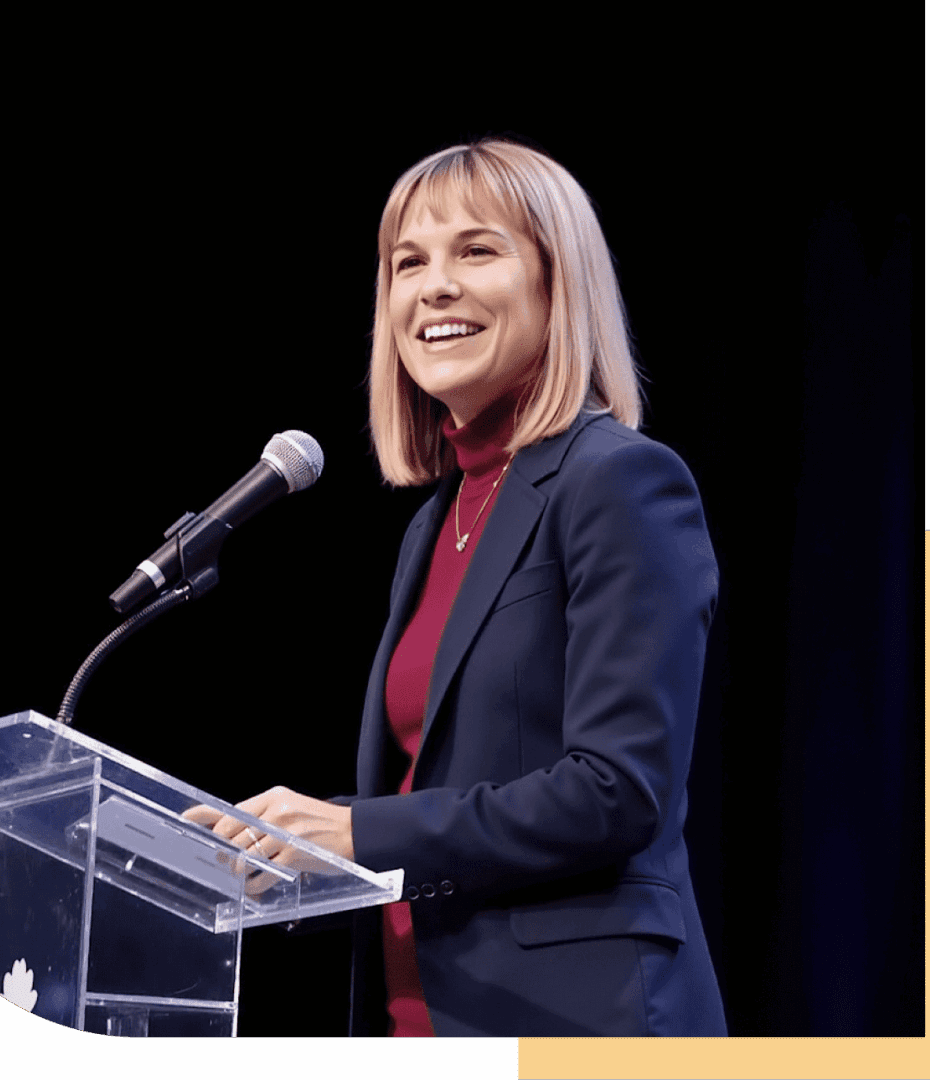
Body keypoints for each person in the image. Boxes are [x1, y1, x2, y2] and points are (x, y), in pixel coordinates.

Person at [183, 137, 726, 1037]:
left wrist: (358, 832)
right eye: (407, 262)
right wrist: (303, 841)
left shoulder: (620, 483)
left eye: (477, 250)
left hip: (577, 1021)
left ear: (559, 284)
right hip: (420, 1011)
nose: (432, 287)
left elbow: (617, 791)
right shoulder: (437, 523)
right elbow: (451, 787)